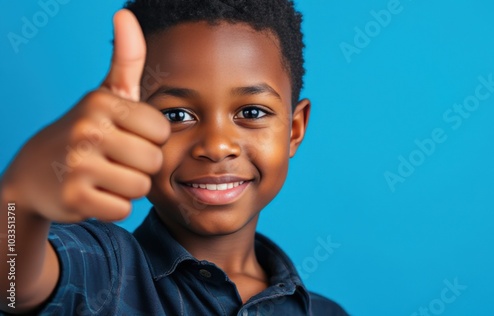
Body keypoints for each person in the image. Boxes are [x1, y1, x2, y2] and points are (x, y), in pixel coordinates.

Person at [0, 0, 348, 315]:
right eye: (176, 115)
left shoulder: (325, 313)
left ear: (294, 129)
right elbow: (12, 289)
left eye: (252, 112)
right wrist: (19, 203)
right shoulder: (103, 272)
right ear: (130, 127)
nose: (216, 146)